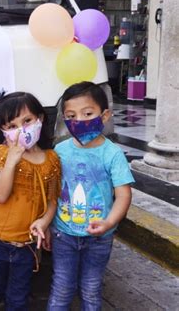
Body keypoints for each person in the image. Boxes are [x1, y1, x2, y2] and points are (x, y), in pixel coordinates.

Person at [47, 81, 134, 310]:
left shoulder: (112, 154)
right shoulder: (60, 151)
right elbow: (53, 192)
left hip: (99, 238)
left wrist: (109, 222)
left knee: (91, 289)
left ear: (104, 116)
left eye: (88, 113)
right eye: (71, 115)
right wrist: (47, 224)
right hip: (63, 235)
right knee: (61, 288)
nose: (80, 120)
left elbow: (123, 195)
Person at [0, 90, 61, 310]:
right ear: (3, 131)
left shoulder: (52, 159)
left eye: (27, 121)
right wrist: (11, 161)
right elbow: (0, 195)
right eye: (12, 126)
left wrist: (44, 222)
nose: (21, 130)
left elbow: (52, 200)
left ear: (40, 118)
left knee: (18, 299)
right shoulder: (1, 154)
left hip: (26, 247)